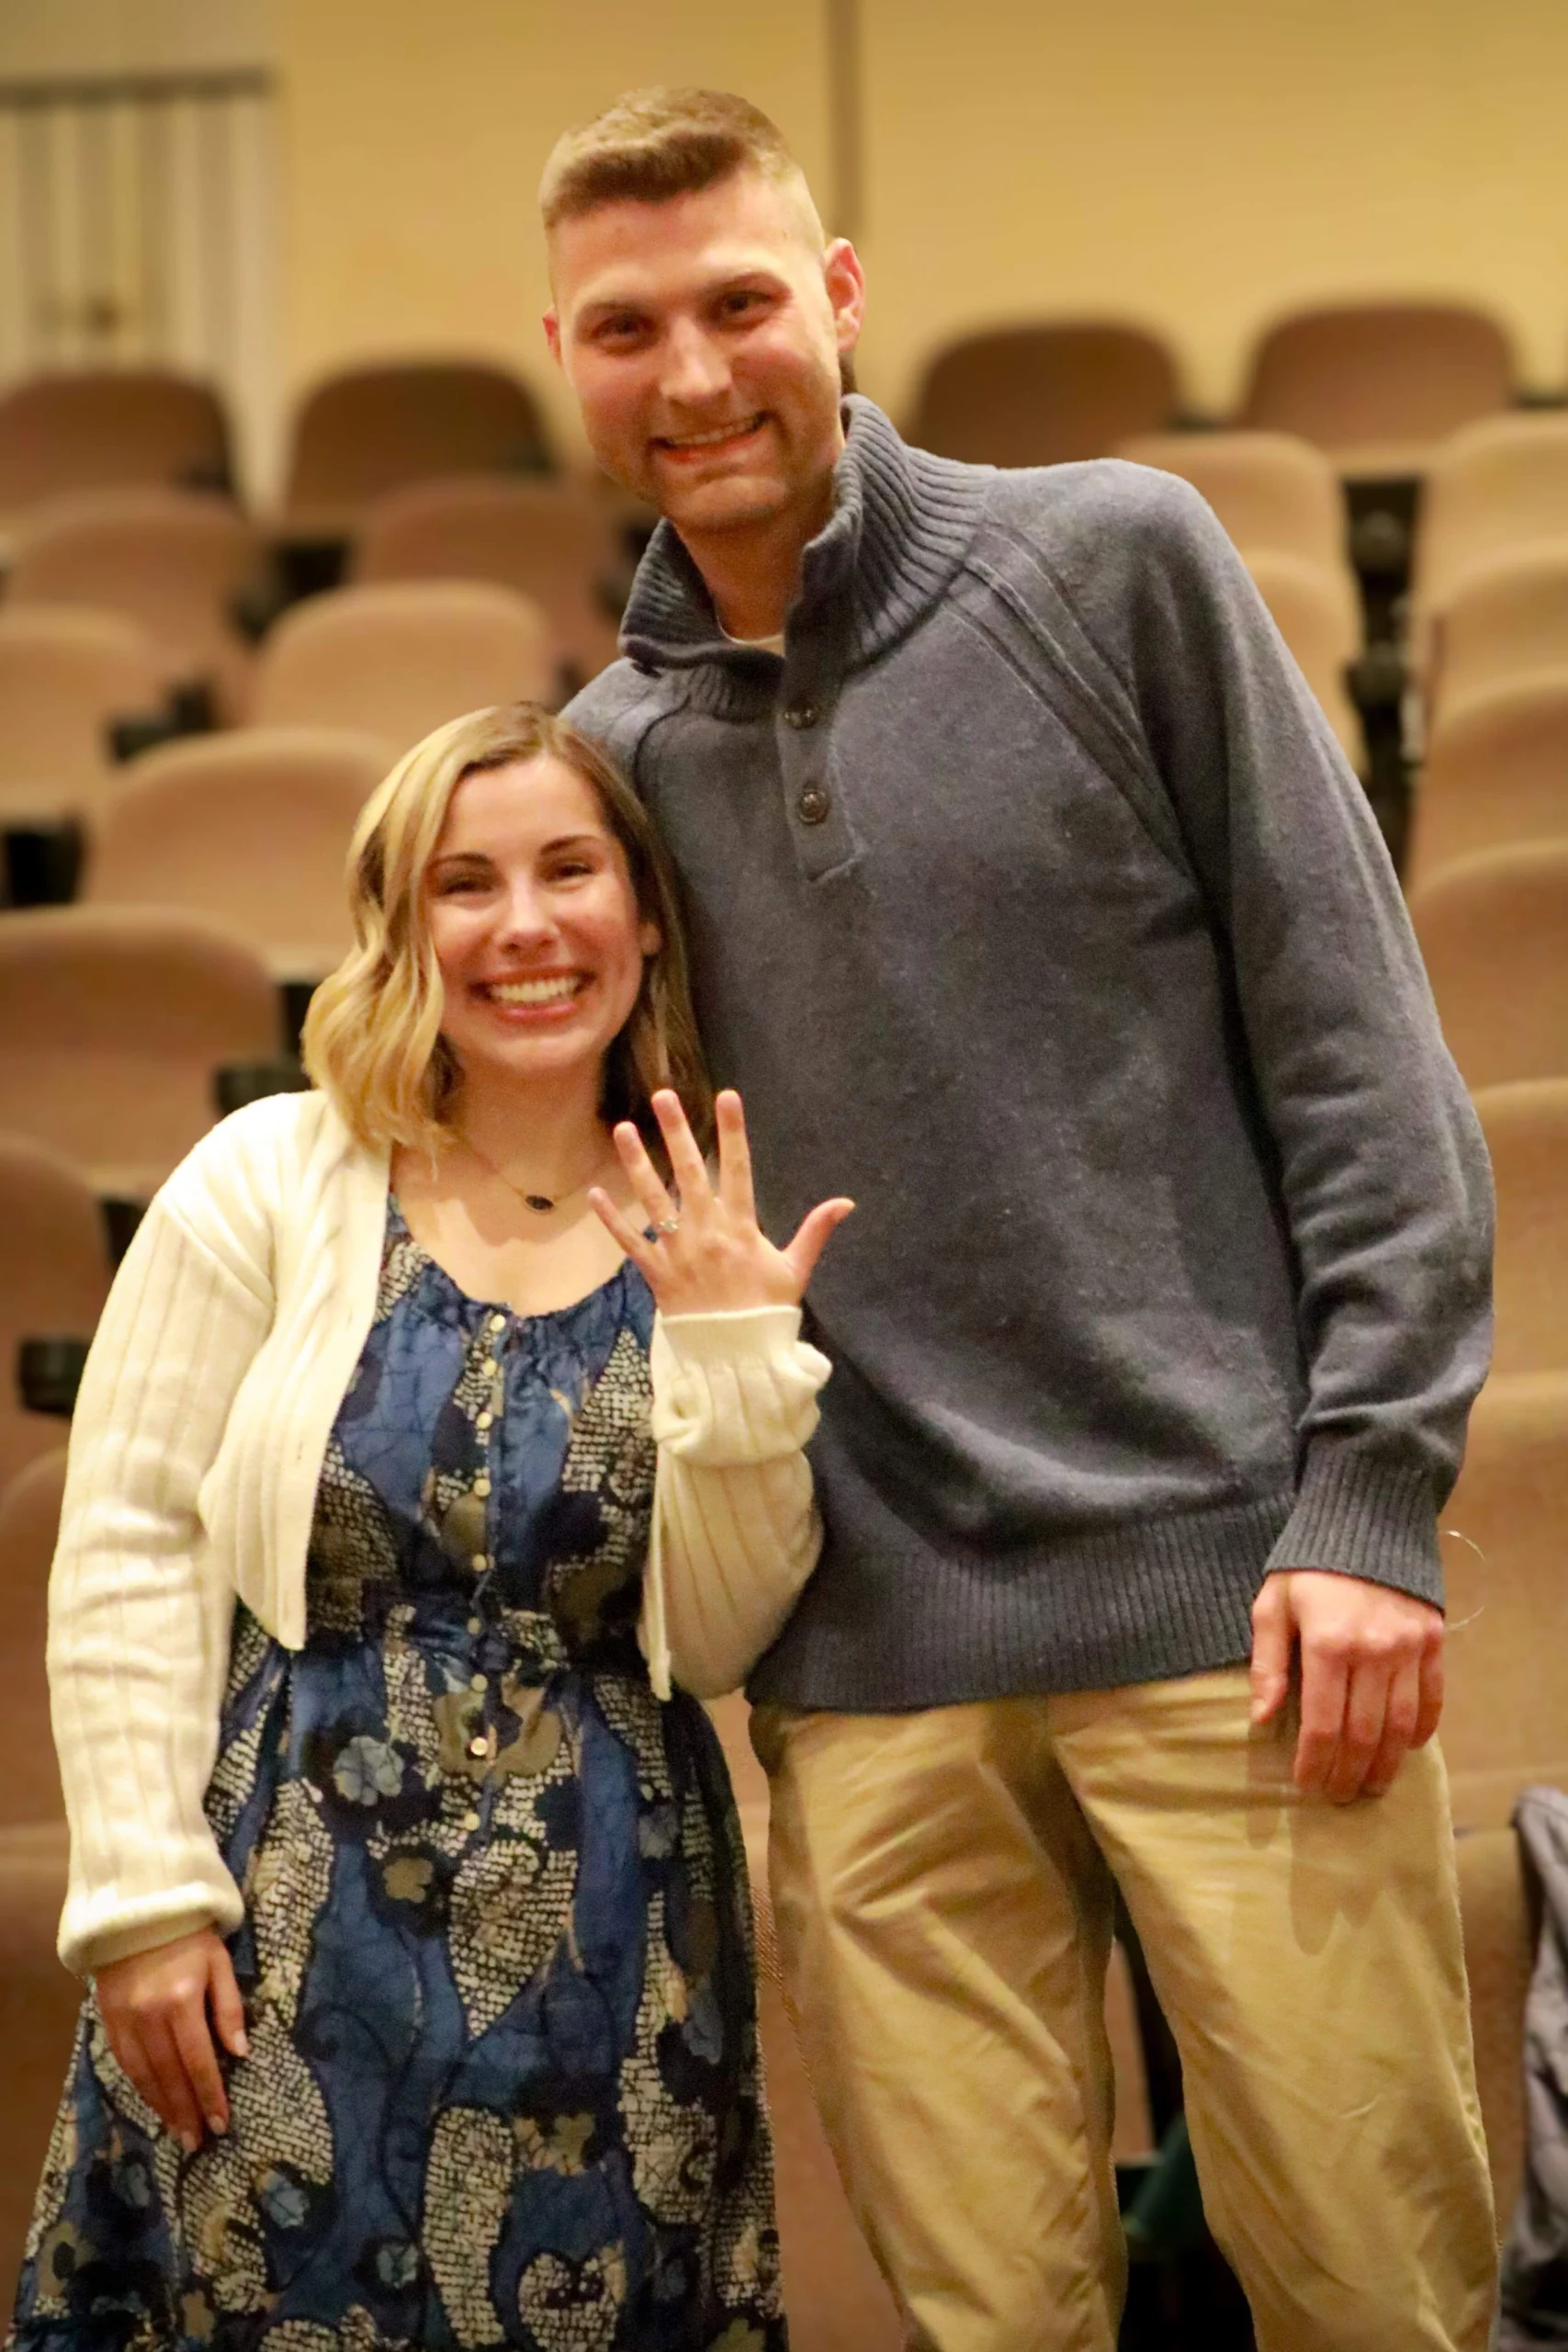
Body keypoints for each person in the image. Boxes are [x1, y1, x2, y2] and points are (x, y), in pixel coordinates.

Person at [540, 86, 1500, 2352]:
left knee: (1381, 2296)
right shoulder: (609, 761)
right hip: (868, 1677)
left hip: (1233, 1610)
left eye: (742, 303)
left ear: (843, 298)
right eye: (624, 325)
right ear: (560, 356)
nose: (691, 373)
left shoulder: (1116, 561)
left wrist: (1367, 1492)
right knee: (991, 2323)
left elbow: (1361, 1049)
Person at [11, 702, 853, 2352]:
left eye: (568, 869)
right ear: (403, 930)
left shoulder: (704, 1212)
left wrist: (739, 1356)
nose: (524, 925)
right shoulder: (267, 1175)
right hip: (279, 1928)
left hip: (612, 1952)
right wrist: (140, 1899)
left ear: (643, 913)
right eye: (465, 884)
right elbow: (125, 1544)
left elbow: (731, 1634)